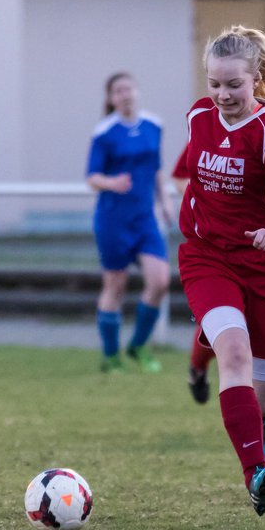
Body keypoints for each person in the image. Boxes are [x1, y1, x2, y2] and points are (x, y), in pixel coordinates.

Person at [175, 25, 265, 516]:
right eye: (215, 83)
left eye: (233, 84)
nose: (222, 94)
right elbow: (190, 179)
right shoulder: (197, 116)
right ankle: (255, 474)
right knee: (233, 351)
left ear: (257, 79)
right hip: (207, 255)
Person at [86, 72, 174, 373]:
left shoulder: (153, 125)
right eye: (117, 91)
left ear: (137, 91)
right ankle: (111, 356)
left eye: (128, 88)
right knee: (115, 284)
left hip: (145, 219)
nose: (124, 94)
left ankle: (138, 345)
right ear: (110, 98)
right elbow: (92, 177)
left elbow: (157, 168)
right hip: (113, 220)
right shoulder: (104, 132)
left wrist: (165, 202)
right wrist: (111, 182)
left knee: (160, 280)